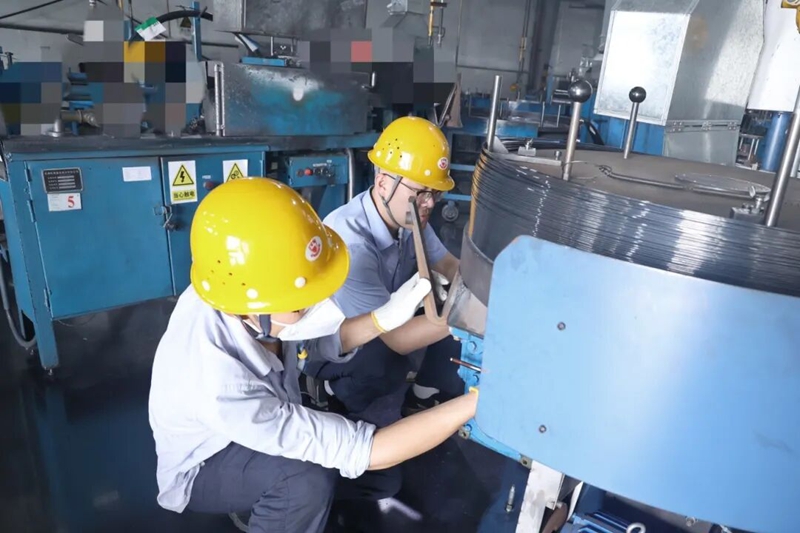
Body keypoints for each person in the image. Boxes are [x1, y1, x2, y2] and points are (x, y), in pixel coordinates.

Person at [148, 178, 478, 533]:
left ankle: (296, 504)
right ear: (246, 308)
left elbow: (316, 338)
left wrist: (383, 317)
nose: (312, 308)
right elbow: (367, 450)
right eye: (299, 305)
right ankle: (277, 503)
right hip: (207, 460)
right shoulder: (219, 383)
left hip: (262, 412)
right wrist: (478, 402)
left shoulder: (243, 292)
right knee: (303, 480)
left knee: (380, 481)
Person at [306, 116, 462, 426]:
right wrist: (471, 319)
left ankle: (421, 393)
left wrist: (482, 290)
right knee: (386, 361)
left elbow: (448, 265)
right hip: (332, 346)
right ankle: (329, 391)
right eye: (421, 192)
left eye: (435, 193)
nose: (430, 204)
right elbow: (396, 338)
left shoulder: (408, 215)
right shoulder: (351, 243)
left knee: (450, 302)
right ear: (383, 184)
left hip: (384, 319)